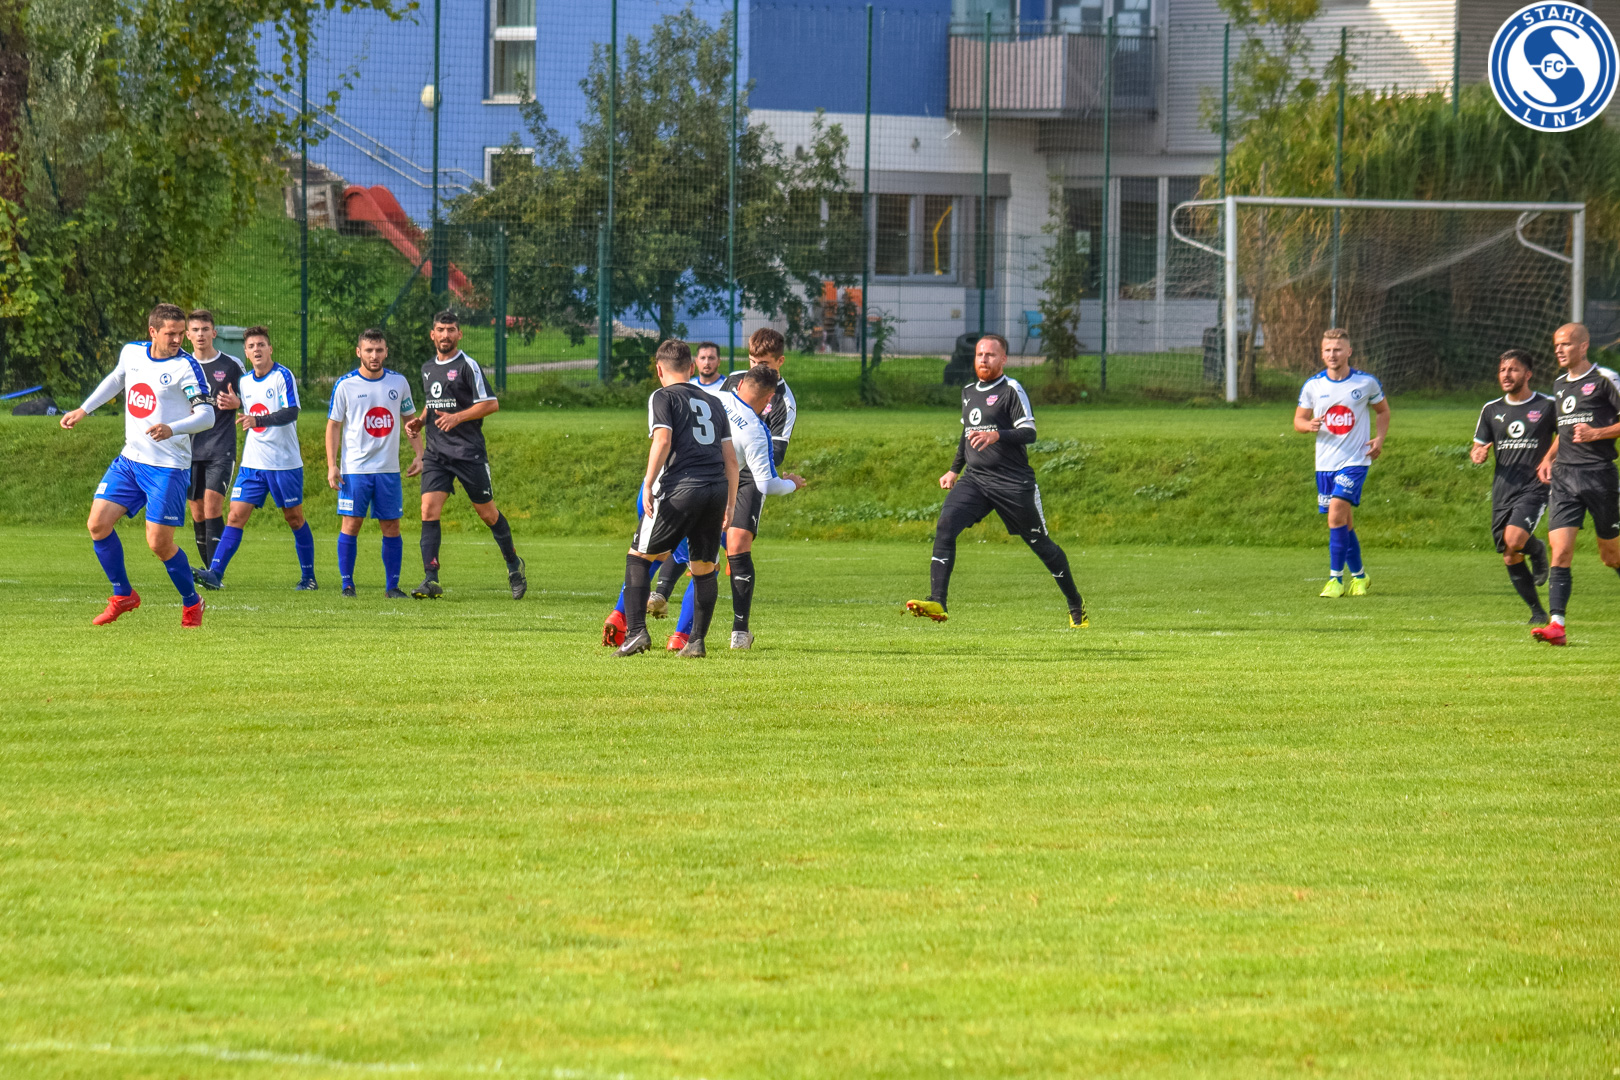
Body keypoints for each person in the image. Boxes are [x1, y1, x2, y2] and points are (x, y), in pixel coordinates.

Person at [905, 333, 1087, 627]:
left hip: (1012, 482)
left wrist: (996, 435)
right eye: (979, 354)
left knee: (1040, 543)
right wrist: (954, 470)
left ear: (1003, 359)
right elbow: (966, 436)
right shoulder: (968, 392)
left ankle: (1075, 604)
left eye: (990, 355)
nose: (983, 359)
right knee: (946, 524)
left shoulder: (1011, 390)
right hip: (976, 480)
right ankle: (938, 601)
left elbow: (1029, 432)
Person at [58, 303, 215, 627]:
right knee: (97, 524)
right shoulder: (132, 353)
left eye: (180, 333)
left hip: (168, 467)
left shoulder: (186, 367)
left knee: (159, 544)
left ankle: (192, 601)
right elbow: (117, 378)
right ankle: (123, 594)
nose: (177, 340)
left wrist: (173, 428)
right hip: (130, 461)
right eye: (170, 333)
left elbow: (207, 416)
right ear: (152, 331)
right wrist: (84, 409)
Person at [613, 339, 739, 658]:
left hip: (681, 487)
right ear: (692, 367)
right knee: (704, 566)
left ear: (659, 369)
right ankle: (695, 642)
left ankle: (636, 633)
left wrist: (648, 482)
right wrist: (730, 503)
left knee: (638, 557)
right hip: (716, 488)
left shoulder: (663, 396)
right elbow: (731, 460)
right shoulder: (714, 402)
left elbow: (663, 439)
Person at [405, 310, 527, 600]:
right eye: (440, 329)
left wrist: (458, 417)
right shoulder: (427, 368)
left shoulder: (467, 366)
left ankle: (513, 565)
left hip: (467, 452)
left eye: (451, 330)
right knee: (428, 510)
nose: (445, 335)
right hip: (436, 453)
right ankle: (431, 578)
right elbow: (433, 402)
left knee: (487, 514)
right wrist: (421, 421)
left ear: (459, 334)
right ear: (432, 334)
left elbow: (491, 404)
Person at [191, 327, 316, 590]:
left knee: (294, 518)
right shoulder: (245, 381)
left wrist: (256, 419)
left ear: (270, 349)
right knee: (235, 516)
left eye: (261, 345)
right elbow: (250, 405)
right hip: (252, 464)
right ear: (246, 353)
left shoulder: (282, 376)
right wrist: (238, 404)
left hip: (283, 463)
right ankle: (215, 574)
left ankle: (309, 578)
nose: (256, 349)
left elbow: (291, 412)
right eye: (251, 346)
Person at [1532, 322, 1620, 645]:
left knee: (1611, 555)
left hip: (1599, 475)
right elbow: (1565, 430)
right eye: (1556, 344)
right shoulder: (1559, 384)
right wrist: (1548, 457)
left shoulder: (1605, 379)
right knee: (1561, 551)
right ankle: (1557, 626)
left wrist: (1597, 433)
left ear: (1583, 346)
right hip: (1565, 478)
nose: (1559, 350)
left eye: (1566, 344)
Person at [326, 327, 424, 598]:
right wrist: (332, 465)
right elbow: (333, 425)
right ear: (359, 352)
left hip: (388, 470)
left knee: (391, 526)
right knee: (351, 524)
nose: (374, 355)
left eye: (379, 350)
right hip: (355, 470)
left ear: (386, 352)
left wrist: (420, 454)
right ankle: (347, 584)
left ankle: (392, 587)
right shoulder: (345, 385)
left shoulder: (398, 383)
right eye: (369, 350)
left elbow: (410, 421)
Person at [1294, 328, 1390, 597]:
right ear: (1322, 353)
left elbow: (1382, 411)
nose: (1332, 354)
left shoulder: (1366, 383)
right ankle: (1360, 576)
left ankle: (1335, 580)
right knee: (1344, 523)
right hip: (1325, 463)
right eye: (1327, 350)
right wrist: (1307, 425)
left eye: (1337, 349)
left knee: (1335, 515)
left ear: (1349, 351)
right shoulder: (1313, 385)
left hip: (1356, 460)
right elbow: (1298, 420)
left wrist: (1380, 438)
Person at [716, 364, 807, 648]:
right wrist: (792, 484)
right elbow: (768, 483)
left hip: (704, 478)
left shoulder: (717, 398)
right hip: (723, 480)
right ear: (768, 398)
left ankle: (730, 633)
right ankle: (701, 635)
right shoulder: (756, 429)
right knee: (706, 559)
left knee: (720, 550)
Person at [1470, 349, 1554, 624]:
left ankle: (1537, 549)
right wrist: (1478, 454)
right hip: (1503, 488)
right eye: (1503, 370)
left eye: (1513, 369)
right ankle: (1538, 612)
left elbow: (1565, 435)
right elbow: (1478, 446)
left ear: (1528, 374)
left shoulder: (1547, 405)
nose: (1506, 375)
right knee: (1509, 554)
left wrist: (1550, 459)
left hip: (1535, 486)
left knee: (1515, 540)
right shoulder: (1491, 409)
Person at [183, 309, 246, 567]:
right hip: (188, 449)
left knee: (212, 507)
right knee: (197, 511)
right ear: (187, 335)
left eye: (205, 329)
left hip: (220, 447)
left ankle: (215, 573)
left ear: (214, 333)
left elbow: (253, 398)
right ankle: (209, 570)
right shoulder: (181, 365)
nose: (200, 334)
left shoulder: (231, 365)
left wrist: (238, 403)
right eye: (195, 330)